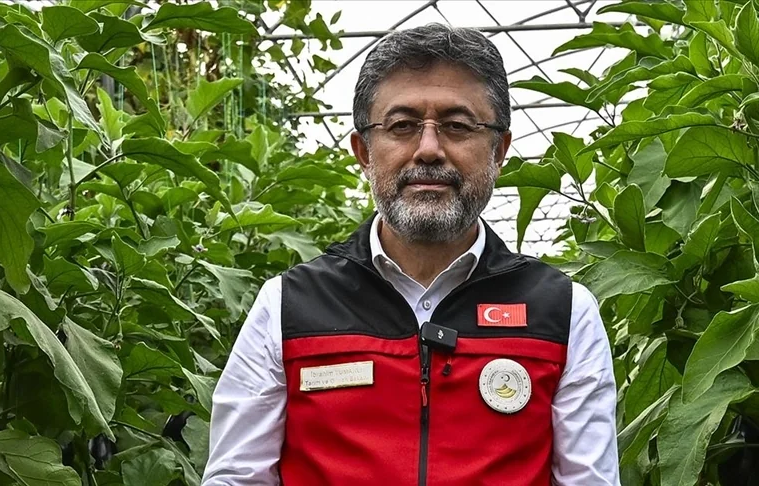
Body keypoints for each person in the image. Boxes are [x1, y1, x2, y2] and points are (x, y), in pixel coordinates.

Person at [201, 23, 619, 486]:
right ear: (363, 151)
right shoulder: (288, 307)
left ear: (499, 151)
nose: (429, 150)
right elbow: (237, 476)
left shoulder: (562, 312)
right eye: (401, 126)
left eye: (458, 126)